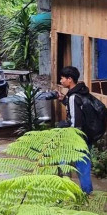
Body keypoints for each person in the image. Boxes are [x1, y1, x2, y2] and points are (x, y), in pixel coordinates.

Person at [57, 66, 93, 194]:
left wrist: (64, 129)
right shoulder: (82, 91)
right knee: (84, 166)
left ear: (69, 79)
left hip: (76, 137)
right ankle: (87, 194)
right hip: (86, 135)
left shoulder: (73, 97)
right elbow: (79, 110)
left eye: (62, 78)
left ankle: (65, 191)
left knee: (63, 162)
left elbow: (76, 122)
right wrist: (64, 101)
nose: (61, 81)